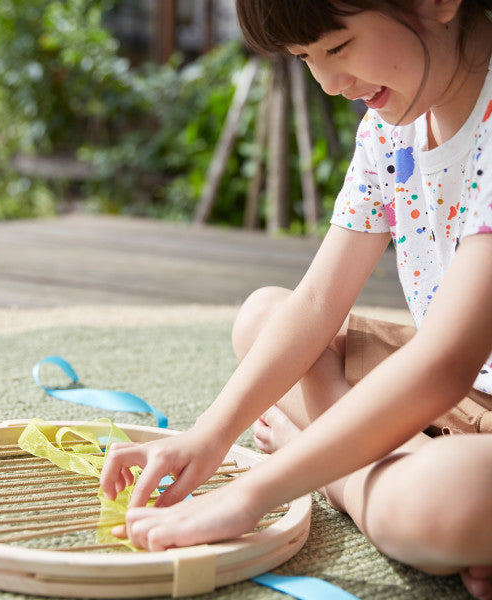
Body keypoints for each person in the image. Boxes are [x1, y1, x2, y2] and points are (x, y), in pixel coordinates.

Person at [100, 1, 492, 597]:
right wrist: (208, 436)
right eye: (306, 59)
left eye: (337, 47)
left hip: (450, 383)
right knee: (264, 315)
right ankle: (381, 473)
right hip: (459, 397)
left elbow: (443, 364)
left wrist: (252, 493)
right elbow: (314, 305)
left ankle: (346, 476)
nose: (329, 83)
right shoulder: (392, 126)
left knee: (451, 501)